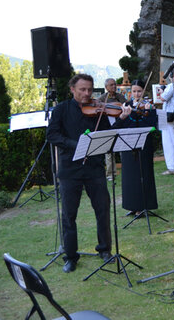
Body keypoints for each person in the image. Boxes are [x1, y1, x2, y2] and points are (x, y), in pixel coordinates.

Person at [46, 73, 131, 273]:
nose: (86, 94)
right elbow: (51, 135)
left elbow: (107, 135)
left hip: (94, 168)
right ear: (72, 89)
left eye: (89, 90)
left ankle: (104, 250)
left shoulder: (99, 110)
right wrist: (75, 145)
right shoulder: (61, 110)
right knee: (69, 215)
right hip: (69, 169)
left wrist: (122, 118)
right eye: (82, 90)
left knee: (103, 209)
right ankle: (71, 256)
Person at [113, 80, 158, 216]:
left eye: (139, 91)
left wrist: (148, 110)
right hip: (128, 144)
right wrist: (124, 115)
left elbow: (152, 126)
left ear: (143, 91)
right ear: (130, 92)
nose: (136, 94)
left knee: (144, 174)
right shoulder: (125, 106)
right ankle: (132, 206)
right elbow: (118, 126)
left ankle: (144, 206)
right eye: (134, 91)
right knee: (130, 177)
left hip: (144, 144)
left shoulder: (149, 106)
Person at [97, 78, 126, 179]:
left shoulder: (120, 97)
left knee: (123, 148)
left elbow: (125, 107)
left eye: (114, 84)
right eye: (111, 85)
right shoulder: (101, 99)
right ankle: (110, 174)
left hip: (120, 123)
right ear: (106, 87)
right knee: (109, 150)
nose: (114, 87)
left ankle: (126, 169)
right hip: (107, 125)